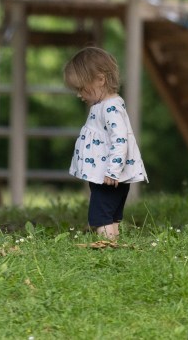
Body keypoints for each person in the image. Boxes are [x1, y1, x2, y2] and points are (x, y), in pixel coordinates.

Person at [63, 46, 147, 242]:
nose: (79, 94)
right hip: (109, 175)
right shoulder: (106, 105)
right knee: (111, 216)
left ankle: (106, 249)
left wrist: (112, 170)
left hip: (108, 176)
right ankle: (113, 244)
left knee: (100, 217)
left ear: (100, 79)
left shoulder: (109, 108)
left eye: (81, 88)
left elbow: (120, 139)